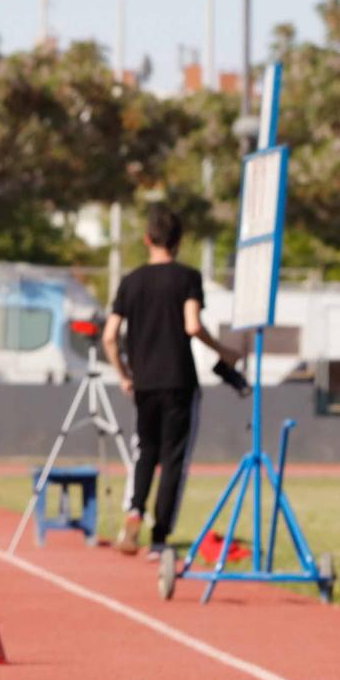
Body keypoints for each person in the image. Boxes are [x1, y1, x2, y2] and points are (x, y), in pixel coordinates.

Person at [101, 205, 242, 556]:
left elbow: (108, 336)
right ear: (178, 242)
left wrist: (123, 375)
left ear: (148, 239)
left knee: (144, 451)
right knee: (174, 459)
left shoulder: (131, 282)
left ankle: (134, 509)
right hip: (179, 380)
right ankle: (160, 538)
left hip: (144, 382)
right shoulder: (187, 278)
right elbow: (192, 325)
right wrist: (224, 351)